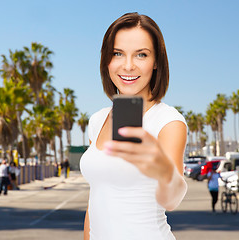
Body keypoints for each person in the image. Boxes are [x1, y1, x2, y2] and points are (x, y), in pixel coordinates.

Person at [80, 12, 188, 240]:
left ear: (156, 61)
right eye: (117, 53)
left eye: (141, 54)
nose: (128, 66)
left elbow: (172, 200)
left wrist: (163, 169)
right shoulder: (97, 121)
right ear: (106, 60)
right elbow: (95, 201)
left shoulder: (168, 121)